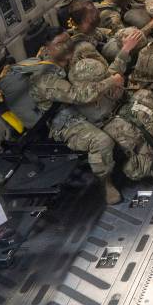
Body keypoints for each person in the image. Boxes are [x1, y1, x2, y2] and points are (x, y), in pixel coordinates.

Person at [29, 29, 127, 204]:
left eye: (67, 40)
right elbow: (76, 95)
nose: (66, 46)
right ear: (47, 49)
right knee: (101, 141)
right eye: (59, 43)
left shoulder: (65, 60)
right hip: (66, 120)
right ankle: (106, 183)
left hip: (79, 107)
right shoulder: (43, 78)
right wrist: (111, 81)